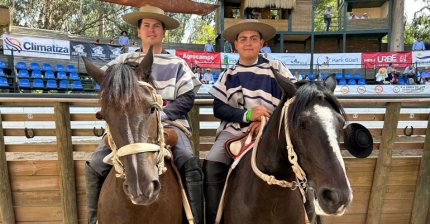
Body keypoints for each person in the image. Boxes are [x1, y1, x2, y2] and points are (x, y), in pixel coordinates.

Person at [84, 5, 203, 224]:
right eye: (146, 25)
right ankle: (94, 218)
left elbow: (187, 99)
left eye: (157, 26)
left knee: (188, 160)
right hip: (127, 126)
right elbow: (106, 90)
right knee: (96, 163)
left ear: (163, 32)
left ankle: (195, 219)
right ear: (138, 31)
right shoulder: (121, 63)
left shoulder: (178, 64)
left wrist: (159, 115)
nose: (151, 30)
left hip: (171, 125)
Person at [203, 19, 296, 224]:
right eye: (243, 39)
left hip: (275, 131)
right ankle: (213, 218)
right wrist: (248, 115)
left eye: (254, 38)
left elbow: (294, 99)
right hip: (235, 131)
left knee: (302, 161)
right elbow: (218, 108)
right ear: (235, 45)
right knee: (211, 164)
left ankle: (311, 213)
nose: (248, 43)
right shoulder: (228, 74)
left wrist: (267, 121)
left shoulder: (276, 67)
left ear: (261, 43)